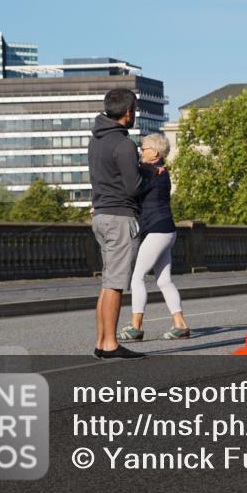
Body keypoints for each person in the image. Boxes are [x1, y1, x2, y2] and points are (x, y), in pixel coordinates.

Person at [88, 88, 157, 359]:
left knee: (108, 282)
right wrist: (150, 173)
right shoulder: (124, 144)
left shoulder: (96, 140)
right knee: (115, 283)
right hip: (120, 218)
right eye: (134, 112)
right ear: (128, 113)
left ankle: (102, 341)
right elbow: (133, 187)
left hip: (101, 215)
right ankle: (110, 345)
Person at [116, 133, 189, 342]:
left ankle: (135, 326)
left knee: (137, 277)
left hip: (157, 230)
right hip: (167, 230)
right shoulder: (160, 171)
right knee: (164, 281)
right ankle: (180, 324)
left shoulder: (150, 171)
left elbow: (130, 187)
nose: (140, 151)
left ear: (155, 152)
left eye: (144, 148)